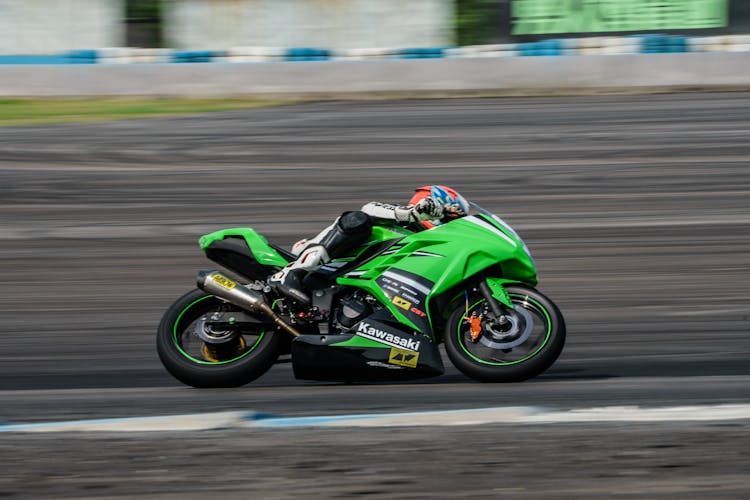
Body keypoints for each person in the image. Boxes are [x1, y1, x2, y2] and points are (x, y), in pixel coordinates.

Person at [269, 185, 470, 304]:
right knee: (359, 219)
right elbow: (369, 208)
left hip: (345, 288)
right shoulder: (401, 222)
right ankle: (292, 273)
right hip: (317, 262)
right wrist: (411, 214)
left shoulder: (423, 244)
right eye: (452, 218)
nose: (451, 225)